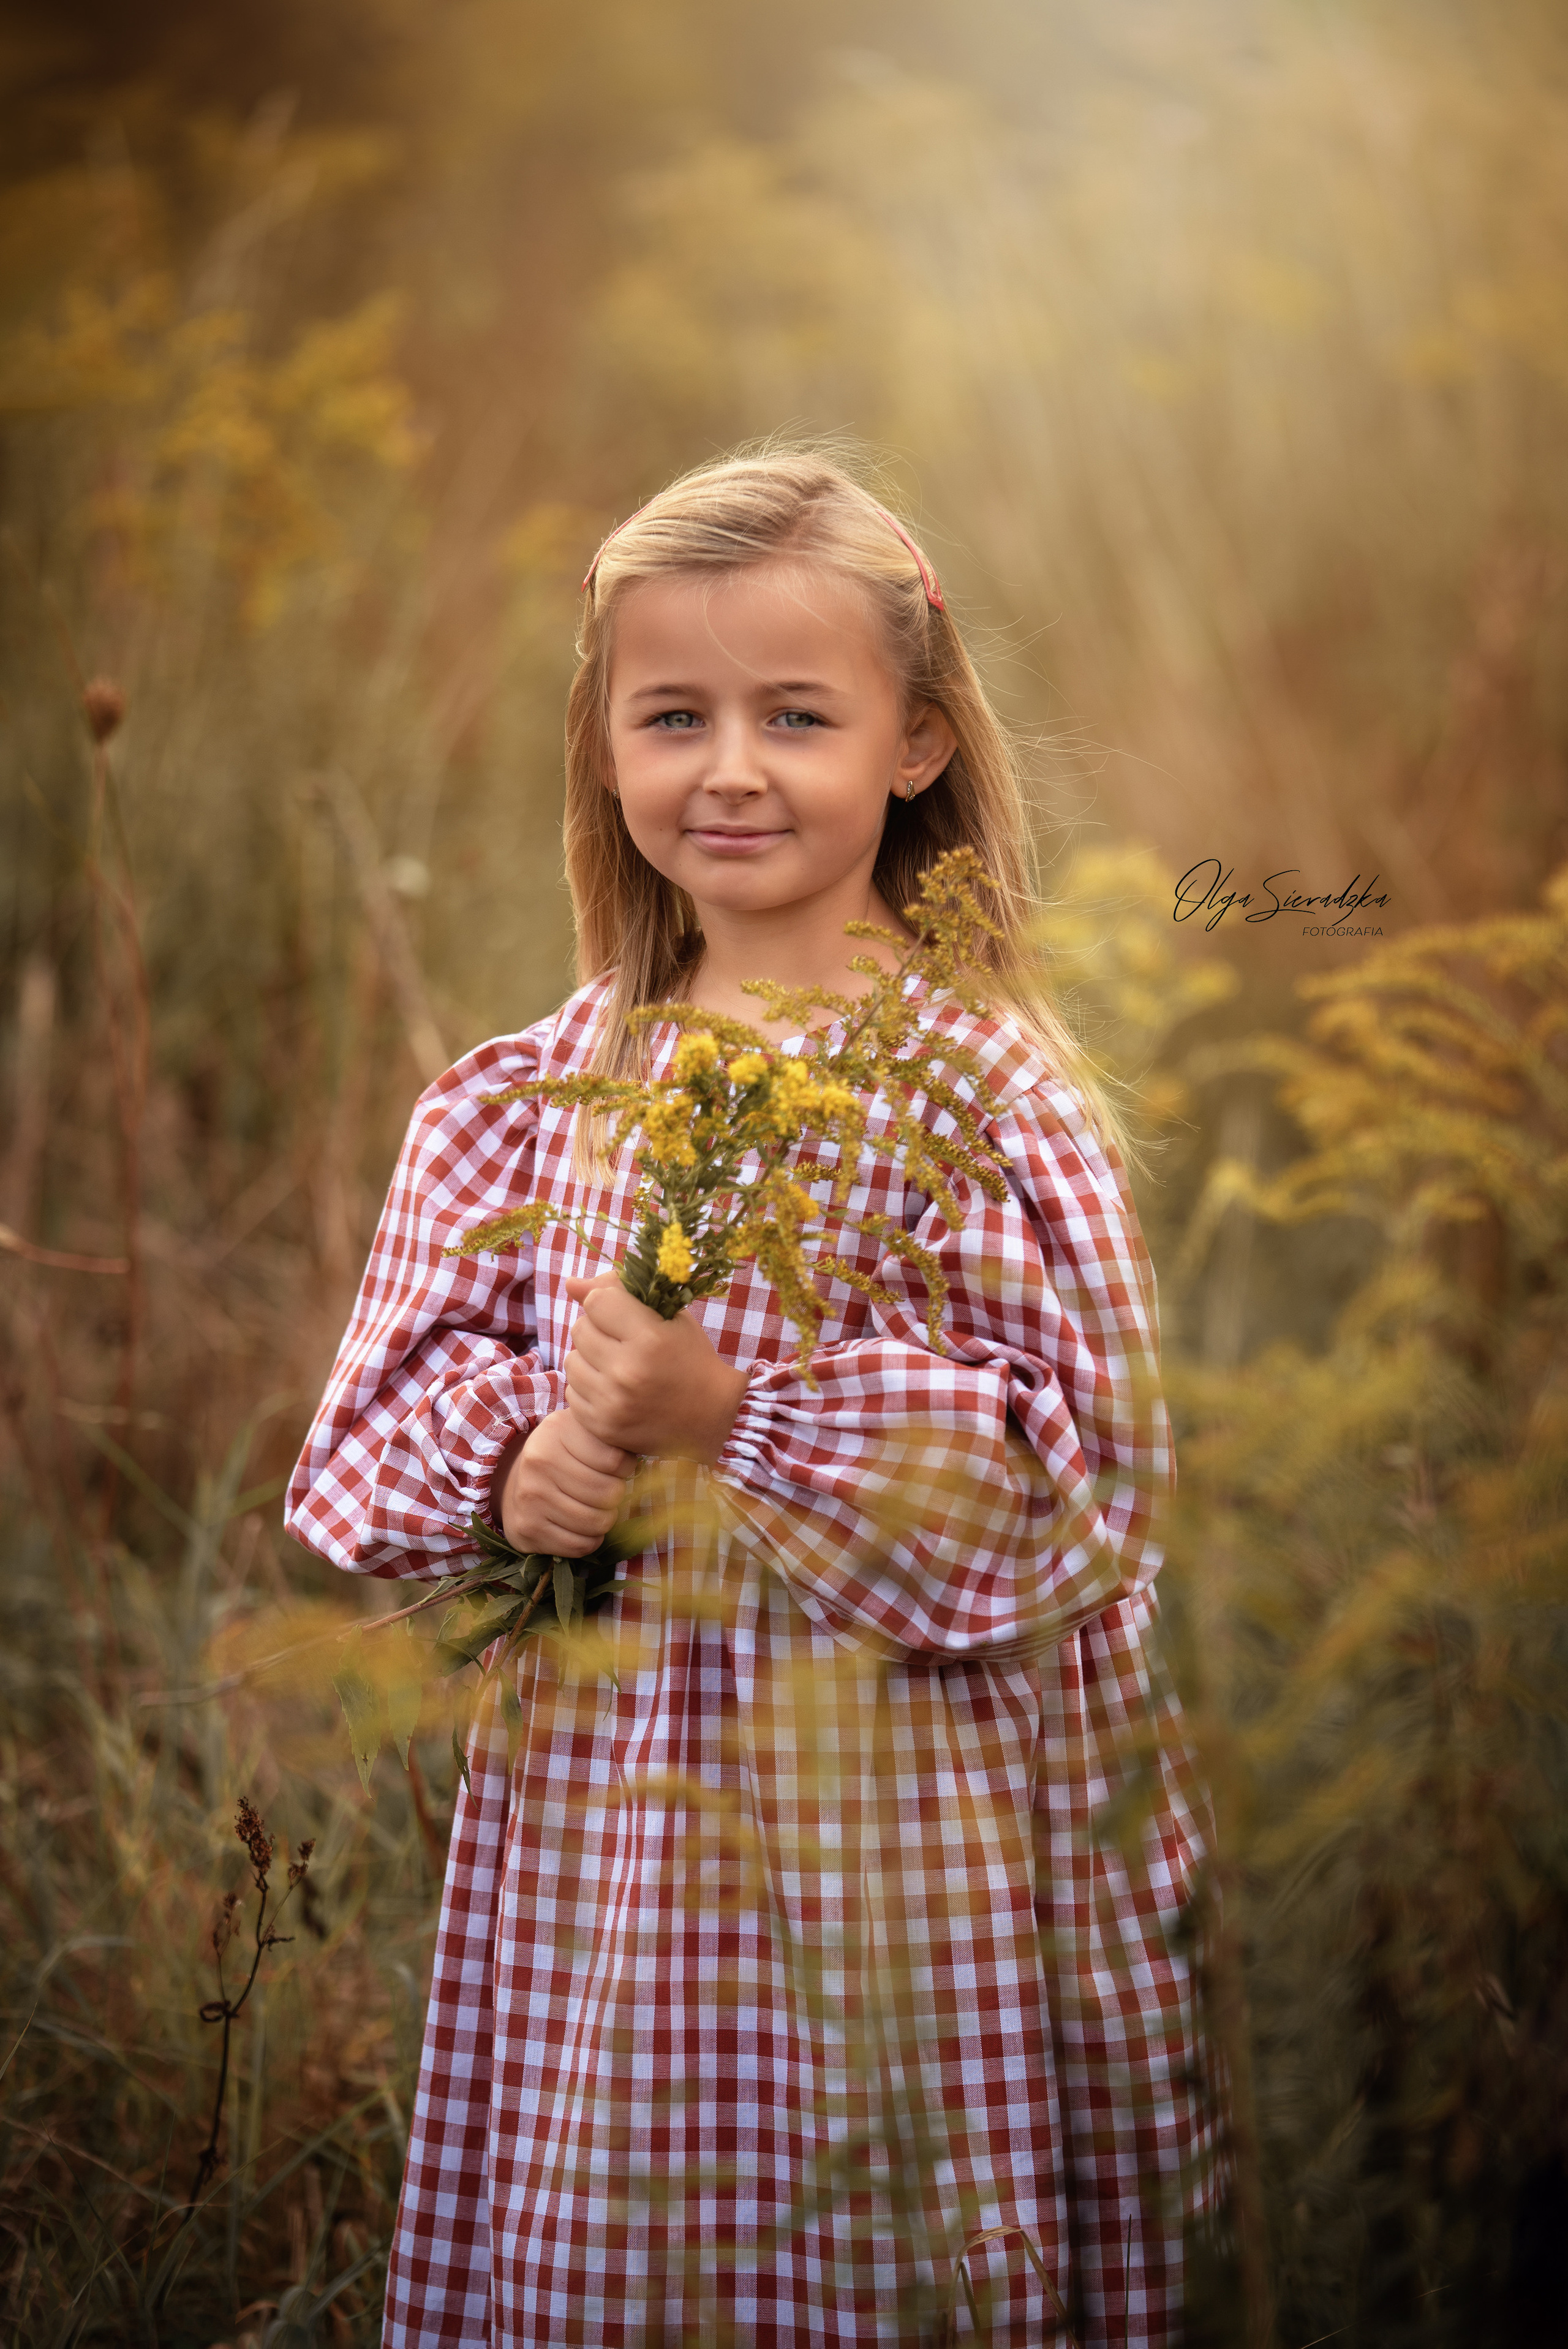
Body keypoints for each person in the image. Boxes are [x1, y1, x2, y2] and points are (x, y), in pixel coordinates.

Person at [285, 448, 1217, 2347]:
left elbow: (1091, 1490)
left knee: (884, 2243)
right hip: (615, 1851)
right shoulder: (528, 1104)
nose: (730, 766)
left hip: (906, 1840)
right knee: (625, 2235)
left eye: (797, 715)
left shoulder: (990, 1102)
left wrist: (741, 1418)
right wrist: (521, 1475)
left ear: (917, 743)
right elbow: (366, 1437)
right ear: (603, 746)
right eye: (674, 715)